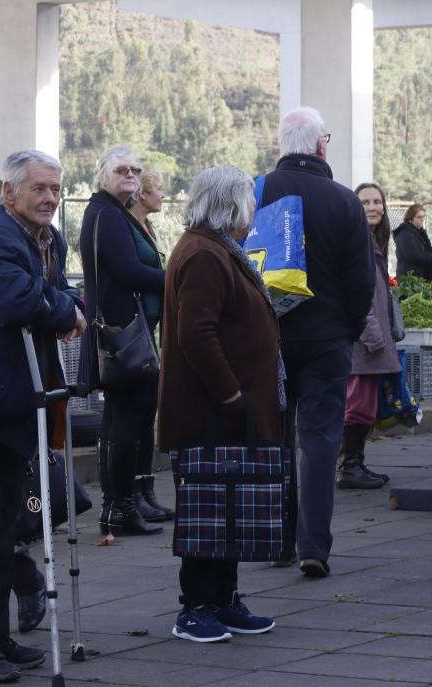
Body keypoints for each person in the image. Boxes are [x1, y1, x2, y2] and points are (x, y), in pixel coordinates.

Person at [159, 166, 279, 643]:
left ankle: (224, 599)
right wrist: (231, 393)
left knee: (227, 506)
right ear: (230, 204)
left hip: (227, 409)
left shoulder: (215, 248)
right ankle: (196, 608)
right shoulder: (204, 254)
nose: (253, 211)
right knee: (207, 508)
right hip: (211, 411)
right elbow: (195, 332)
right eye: (249, 200)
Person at [267, 107, 376, 578]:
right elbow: (361, 280)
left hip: (268, 338)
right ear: (320, 146)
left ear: (280, 146)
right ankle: (313, 545)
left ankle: (275, 540)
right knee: (319, 440)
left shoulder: (256, 191)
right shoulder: (343, 201)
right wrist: (348, 329)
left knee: (273, 439)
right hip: (328, 336)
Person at [0, 149, 86, 680]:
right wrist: (65, 310)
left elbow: (53, 291)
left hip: (18, 402)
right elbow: (15, 297)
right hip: (3, 397)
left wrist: (68, 303)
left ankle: (1, 639)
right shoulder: (3, 237)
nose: (51, 198)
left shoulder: (46, 240)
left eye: (56, 188)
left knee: (5, 529)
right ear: (8, 191)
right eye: (39, 189)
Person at [77, 145, 166, 537]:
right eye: (121, 169)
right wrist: (178, 276)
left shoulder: (107, 212)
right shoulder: (108, 214)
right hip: (123, 334)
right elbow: (129, 271)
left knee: (119, 420)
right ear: (103, 175)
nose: (130, 174)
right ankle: (122, 507)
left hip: (118, 330)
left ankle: (118, 507)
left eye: (135, 169)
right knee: (127, 419)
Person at [337, 183, 404, 490]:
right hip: (364, 341)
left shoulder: (373, 242)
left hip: (369, 339)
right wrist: (375, 336)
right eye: (365, 202)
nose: (374, 207)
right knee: (358, 405)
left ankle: (356, 463)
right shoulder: (356, 242)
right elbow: (356, 294)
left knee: (363, 405)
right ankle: (349, 466)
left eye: (378, 201)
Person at [124, 167, 174, 523]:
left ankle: (146, 490)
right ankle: (135, 492)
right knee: (137, 414)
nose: (162, 196)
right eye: (158, 190)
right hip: (138, 326)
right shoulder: (128, 226)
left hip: (152, 324)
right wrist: (175, 276)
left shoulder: (146, 227)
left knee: (147, 415)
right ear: (143, 194)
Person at [394, 203, 432, 280]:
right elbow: (414, 256)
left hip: (418, 276)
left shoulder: (419, 232)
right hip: (410, 277)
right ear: (410, 219)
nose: (422, 219)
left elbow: (424, 251)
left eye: (423, 216)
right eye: (419, 217)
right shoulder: (405, 233)